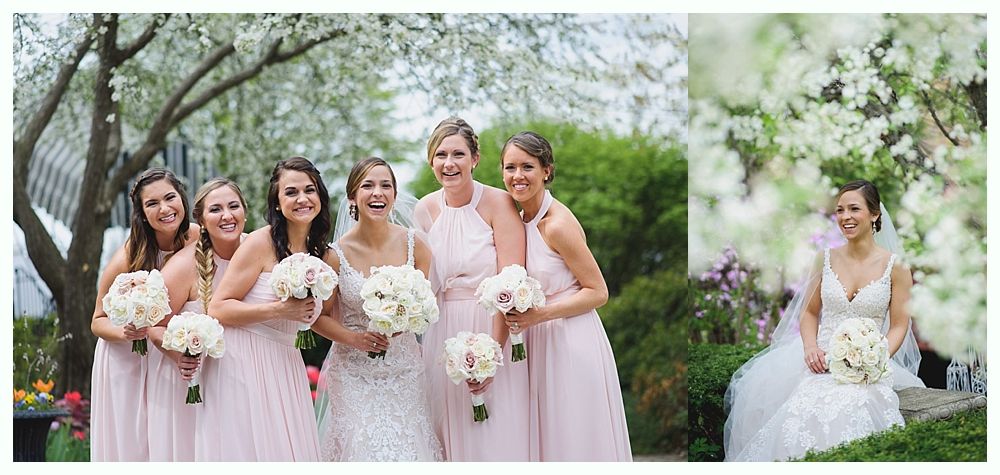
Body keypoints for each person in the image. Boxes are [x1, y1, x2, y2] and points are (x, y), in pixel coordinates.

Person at [723, 179, 925, 462]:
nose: (845, 217)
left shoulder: (897, 267)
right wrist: (810, 349)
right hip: (819, 358)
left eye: (854, 209)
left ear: (875, 214)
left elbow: (900, 324)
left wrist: (875, 358)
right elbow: (808, 311)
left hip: (869, 363)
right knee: (802, 410)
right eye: (840, 210)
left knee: (855, 407)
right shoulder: (824, 259)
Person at [500, 131, 632, 461]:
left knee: (574, 436)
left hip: (571, 340)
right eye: (510, 167)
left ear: (547, 170)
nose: (518, 176)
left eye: (527, 167)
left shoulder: (556, 224)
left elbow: (599, 292)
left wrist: (537, 316)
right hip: (538, 340)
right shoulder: (518, 220)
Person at [312, 157, 443, 461]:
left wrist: (405, 320)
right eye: (367, 186)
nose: (377, 193)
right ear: (353, 198)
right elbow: (318, 318)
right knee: (364, 450)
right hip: (354, 373)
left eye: (386, 185)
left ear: (395, 195)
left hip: (405, 371)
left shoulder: (416, 246)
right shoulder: (335, 256)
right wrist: (353, 338)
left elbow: (425, 306)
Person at [414, 117, 530, 461]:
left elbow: (512, 281)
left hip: (492, 326)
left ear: (475, 158)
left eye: (458, 154)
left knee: (494, 428)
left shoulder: (499, 203)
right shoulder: (424, 209)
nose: (449, 164)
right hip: (442, 331)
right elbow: (422, 283)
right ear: (432, 161)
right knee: (447, 426)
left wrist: (490, 356)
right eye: (441, 155)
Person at [205, 157, 327, 461]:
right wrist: (279, 310)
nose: (302, 199)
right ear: (277, 202)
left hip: (286, 360)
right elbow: (218, 308)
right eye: (291, 192)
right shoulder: (261, 242)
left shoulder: (319, 251)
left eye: (309, 190)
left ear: (320, 197)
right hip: (246, 360)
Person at [90, 167, 199, 461]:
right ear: (141, 212)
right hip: (126, 357)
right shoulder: (129, 255)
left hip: (166, 352)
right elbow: (97, 321)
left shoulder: (199, 238)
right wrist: (124, 332)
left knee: (171, 439)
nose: (164, 209)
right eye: (152, 204)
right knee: (133, 439)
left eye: (169, 198)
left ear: (182, 198)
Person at [147, 178, 248, 461]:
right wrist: (178, 355)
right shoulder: (183, 266)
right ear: (200, 220)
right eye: (216, 209)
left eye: (233, 206)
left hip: (249, 380)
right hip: (200, 384)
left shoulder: (258, 250)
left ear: (245, 211)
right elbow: (154, 326)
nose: (227, 216)